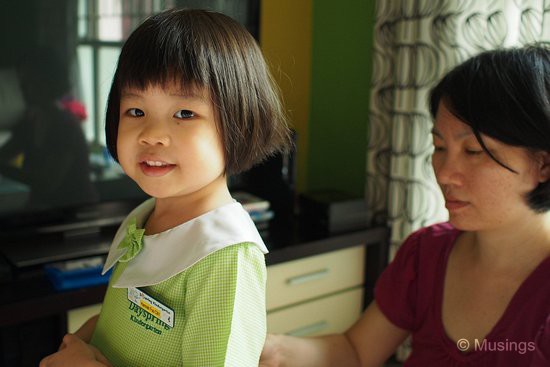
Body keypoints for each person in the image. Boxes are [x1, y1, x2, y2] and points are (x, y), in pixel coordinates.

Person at [259, 45, 550, 366]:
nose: (444, 172)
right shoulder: (426, 254)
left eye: (473, 151)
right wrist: (274, 349)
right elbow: (355, 350)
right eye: (439, 146)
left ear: (542, 164)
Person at [40, 8, 291, 367]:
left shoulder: (224, 258)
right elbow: (124, 318)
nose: (152, 135)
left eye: (185, 113)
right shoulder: (144, 218)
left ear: (240, 122)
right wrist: (79, 341)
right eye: (136, 111)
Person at [0, 48, 97, 209]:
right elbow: (5, 153)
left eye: (29, 82)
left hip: (76, 215)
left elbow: (48, 182)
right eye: (22, 82)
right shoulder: (30, 122)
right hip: (46, 211)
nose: (23, 88)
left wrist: (4, 169)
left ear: (47, 83)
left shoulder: (65, 125)